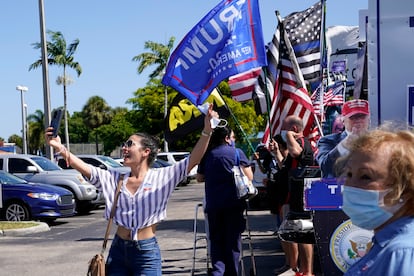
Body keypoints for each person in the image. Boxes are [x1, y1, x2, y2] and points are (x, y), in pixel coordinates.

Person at [45, 104, 218, 275]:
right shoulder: (115, 178)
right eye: (124, 144)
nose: (124, 148)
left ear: (146, 152)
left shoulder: (163, 177)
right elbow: (85, 168)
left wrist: (207, 131)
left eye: (130, 144)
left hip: (146, 253)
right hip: (118, 250)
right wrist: (60, 148)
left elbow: (192, 160)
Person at [338, 128, 414, 275]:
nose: (348, 185)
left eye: (365, 177)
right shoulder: (387, 244)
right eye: (349, 174)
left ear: (405, 189)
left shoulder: (402, 253)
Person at [196, 126, 253, 276]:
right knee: (233, 242)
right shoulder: (236, 153)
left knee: (216, 241)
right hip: (234, 204)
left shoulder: (207, 154)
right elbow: (250, 177)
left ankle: (218, 272)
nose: (233, 140)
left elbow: (199, 178)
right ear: (227, 138)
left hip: (214, 204)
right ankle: (233, 272)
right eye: (232, 137)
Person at [271, 115, 315, 276]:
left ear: (295, 129)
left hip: (303, 195)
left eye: (285, 129)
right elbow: (286, 166)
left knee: (304, 234)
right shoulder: (295, 144)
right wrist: (276, 153)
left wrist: (289, 136)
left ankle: (308, 271)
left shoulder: (302, 143)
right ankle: (302, 270)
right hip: (293, 195)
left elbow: (296, 152)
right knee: (298, 233)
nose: (283, 132)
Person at [316, 99, 370, 178]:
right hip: (340, 188)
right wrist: (345, 145)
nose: (358, 121)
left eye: (362, 117)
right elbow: (325, 167)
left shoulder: (377, 141)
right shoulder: (328, 141)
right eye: (353, 117)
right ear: (343, 120)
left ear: (369, 119)